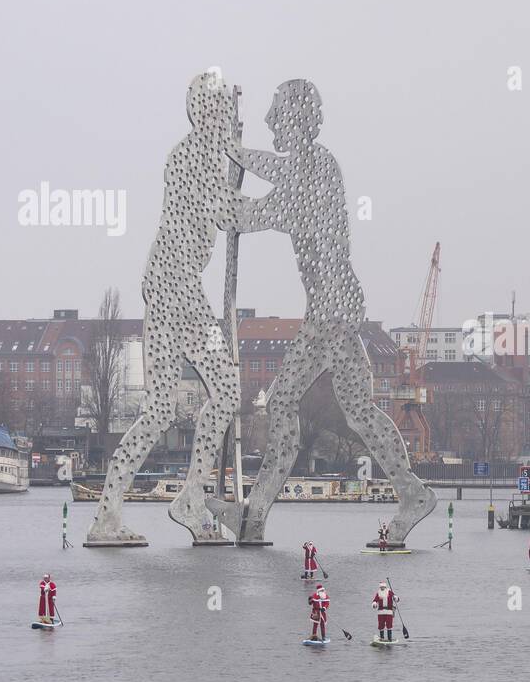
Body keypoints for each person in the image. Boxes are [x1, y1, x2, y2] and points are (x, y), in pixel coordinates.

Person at [215, 80, 436, 545]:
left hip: (331, 311)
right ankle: (412, 493)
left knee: (281, 402)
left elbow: (255, 214)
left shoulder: (316, 169)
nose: (271, 122)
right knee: (357, 409)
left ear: (296, 119)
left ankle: (254, 517)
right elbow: (273, 169)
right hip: (335, 306)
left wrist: (219, 192)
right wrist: (234, 152)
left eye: (276, 114)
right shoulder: (310, 165)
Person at [86, 73, 243, 545]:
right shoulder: (193, 156)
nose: (229, 121)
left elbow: (224, 206)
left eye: (231, 116)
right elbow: (228, 214)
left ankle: (110, 514)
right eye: (222, 114)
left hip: (174, 286)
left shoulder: (202, 157)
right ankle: (187, 500)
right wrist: (264, 195)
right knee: (228, 391)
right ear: (204, 114)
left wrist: (235, 168)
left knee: (159, 410)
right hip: (178, 289)